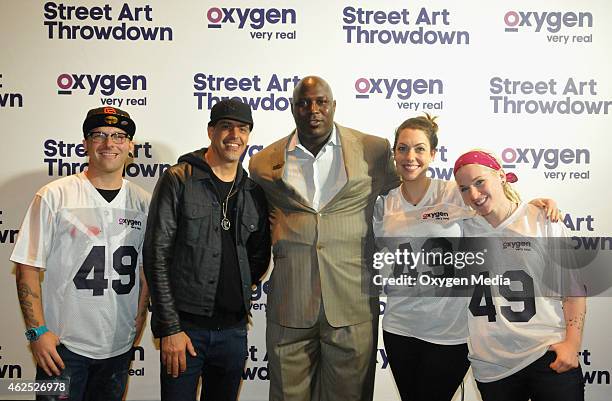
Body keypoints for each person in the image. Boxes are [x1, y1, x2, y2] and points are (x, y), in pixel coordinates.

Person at [373, 115, 561, 401]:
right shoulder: (384, 203)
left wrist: (535, 205)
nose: (410, 156)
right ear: (394, 154)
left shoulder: (454, 192)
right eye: (403, 148)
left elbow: (495, 204)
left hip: (450, 332)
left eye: (420, 149)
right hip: (399, 327)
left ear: (433, 154)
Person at [249, 76, 400, 401]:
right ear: (292, 108)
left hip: (353, 304)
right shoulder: (263, 163)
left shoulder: (374, 150)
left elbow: (409, 194)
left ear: (333, 106)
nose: (313, 110)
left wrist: (453, 199)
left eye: (321, 102)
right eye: (304, 103)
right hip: (290, 304)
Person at [11, 106, 150, 401]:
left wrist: (137, 322)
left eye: (118, 136)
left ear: (130, 146)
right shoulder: (54, 195)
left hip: (118, 348)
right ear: (85, 143)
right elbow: (27, 266)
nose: (109, 143)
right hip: (62, 349)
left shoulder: (143, 201)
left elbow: (145, 270)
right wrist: (37, 332)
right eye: (98, 135)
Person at [143, 99, 271, 401]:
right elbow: (156, 256)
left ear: (249, 136)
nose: (234, 135)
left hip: (234, 333)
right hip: (185, 332)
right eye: (226, 127)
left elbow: (258, 255)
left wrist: (238, 287)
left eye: (242, 129)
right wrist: (170, 328)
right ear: (211, 130)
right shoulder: (178, 179)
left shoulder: (252, 191)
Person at [454, 149, 586, 401]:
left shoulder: (542, 220)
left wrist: (572, 344)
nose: (473, 194)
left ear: (501, 176)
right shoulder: (460, 229)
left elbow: (573, 289)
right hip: (493, 366)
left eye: (480, 182)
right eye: (464, 189)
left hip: (546, 353)